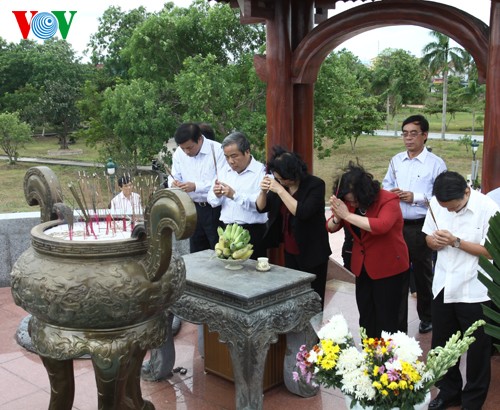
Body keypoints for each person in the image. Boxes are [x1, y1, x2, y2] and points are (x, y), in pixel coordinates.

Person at [423, 171, 499, 410]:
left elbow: (491, 251)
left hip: (476, 288)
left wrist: (456, 241)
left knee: (477, 351)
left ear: (467, 191)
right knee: (443, 345)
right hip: (444, 284)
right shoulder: (438, 202)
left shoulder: (488, 208)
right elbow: (427, 235)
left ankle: (473, 400)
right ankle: (449, 392)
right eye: (445, 208)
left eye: (453, 208)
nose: (449, 212)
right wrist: (432, 242)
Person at [327, 161, 409, 338]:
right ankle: (369, 354)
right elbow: (330, 227)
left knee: (388, 318)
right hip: (363, 266)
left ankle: (391, 360)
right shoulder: (348, 204)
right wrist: (337, 217)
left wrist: (347, 215)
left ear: (363, 192)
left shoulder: (388, 200)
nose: (352, 203)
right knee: (366, 315)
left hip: (388, 266)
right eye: (349, 201)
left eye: (355, 200)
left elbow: (382, 226)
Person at [382, 114, 447, 334]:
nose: (408, 138)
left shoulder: (436, 164)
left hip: (422, 225)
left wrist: (415, 197)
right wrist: (393, 193)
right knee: (398, 273)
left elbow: (442, 197)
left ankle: (427, 317)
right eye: (405, 133)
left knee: (422, 274)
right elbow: (385, 185)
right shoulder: (396, 160)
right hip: (397, 225)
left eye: (413, 134)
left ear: (425, 136)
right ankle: (398, 324)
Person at [256, 146, 331, 309]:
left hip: (312, 249)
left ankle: (314, 332)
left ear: (294, 174)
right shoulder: (279, 184)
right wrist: (262, 192)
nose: (280, 181)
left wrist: (281, 190)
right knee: (295, 294)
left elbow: (302, 212)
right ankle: (296, 331)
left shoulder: (315, 185)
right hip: (290, 247)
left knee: (314, 296)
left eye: (283, 179)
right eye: (277, 178)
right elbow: (261, 207)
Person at [207, 131, 268, 258]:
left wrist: (234, 195)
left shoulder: (262, 172)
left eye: (234, 156)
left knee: (252, 273)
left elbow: (260, 206)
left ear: (247, 151)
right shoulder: (224, 171)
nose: (230, 161)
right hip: (227, 231)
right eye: (226, 157)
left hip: (252, 231)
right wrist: (216, 194)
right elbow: (212, 201)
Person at [168, 122, 225, 253]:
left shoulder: (217, 150)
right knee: (197, 250)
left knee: (219, 249)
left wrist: (196, 186)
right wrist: (174, 183)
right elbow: (173, 175)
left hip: (215, 208)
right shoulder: (179, 153)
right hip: (192, 208)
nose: (187, 152)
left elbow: (222, 182)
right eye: (183, 149)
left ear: (199, 139)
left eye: (190, 148)